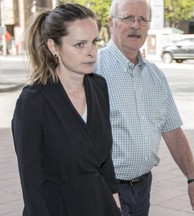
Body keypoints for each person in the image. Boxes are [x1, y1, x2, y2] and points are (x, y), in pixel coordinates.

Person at [94, 0, 194, 215]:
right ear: (111, 22)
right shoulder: (94, 71)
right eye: (128, 18)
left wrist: (193, 179)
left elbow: (172, 130)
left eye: (143, 19)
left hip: (143, 188)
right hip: (106, 190)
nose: (136, 25)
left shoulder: (155, 75)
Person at [11, 3, 122, 216]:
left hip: (101, 205)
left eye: (94, 42)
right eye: (79, 45)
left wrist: (116, 206)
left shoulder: (99, 86)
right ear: (54, 47)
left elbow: (105, 163)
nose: (91, 52)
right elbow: (32, 185)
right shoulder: (33, 102)